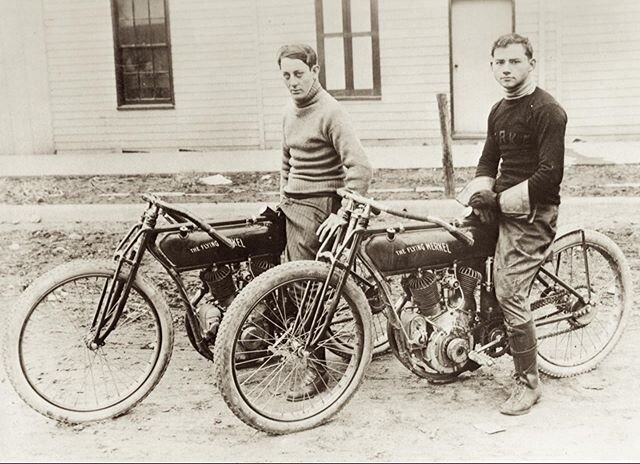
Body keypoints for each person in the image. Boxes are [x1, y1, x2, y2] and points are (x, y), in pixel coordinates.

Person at [457, 33, 568, 415]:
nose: (506, 69)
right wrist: (479, 195)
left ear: (531, 64)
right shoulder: (498, 110)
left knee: (508, 290)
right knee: (459, 249)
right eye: (499, 62)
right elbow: (488, 162)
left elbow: (549, 175)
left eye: (514, 62)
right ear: (491, 65)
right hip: (501, 204)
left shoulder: (547, 110)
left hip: (534, 214)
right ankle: (475, 340)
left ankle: (528, 383)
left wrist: (500, 200)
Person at [276, 43, 373, 400]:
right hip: (294, 204)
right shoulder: (288, 113)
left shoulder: (331, 112)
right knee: (265, 268)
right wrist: (281, 198)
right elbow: (287, 162)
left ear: (315, 71)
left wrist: (342, 213)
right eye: (286, 75)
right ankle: (255, 340)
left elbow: (360, 168)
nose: (293, 82)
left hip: (322, 207)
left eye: (299, 73)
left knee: (306, 288)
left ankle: (317, 370)